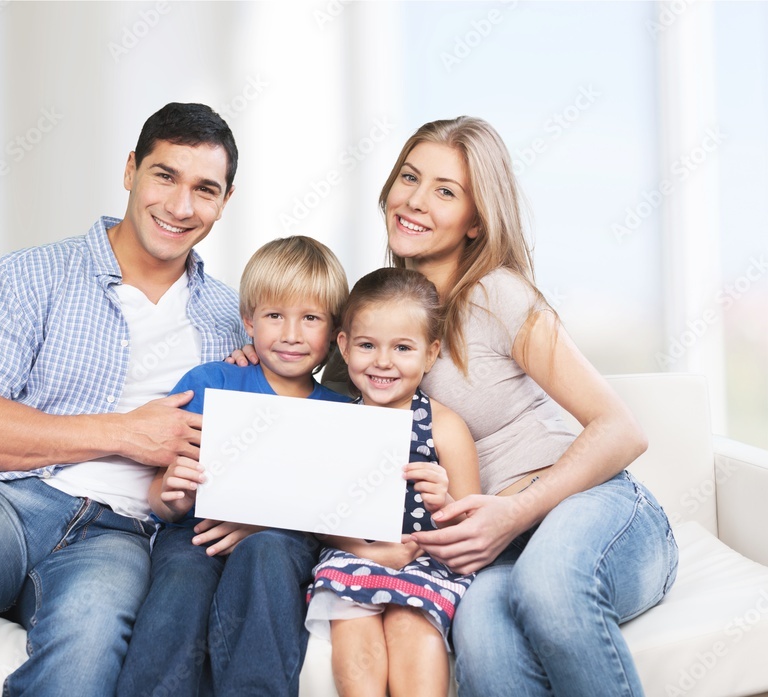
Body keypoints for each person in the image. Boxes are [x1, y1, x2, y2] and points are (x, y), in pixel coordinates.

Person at [0, 102, 249, 697]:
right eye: (164, 176)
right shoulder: (30, 275)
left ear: (224, 201)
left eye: (205, 189)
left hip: (119, 535)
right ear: (130, 171)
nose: (180, 206)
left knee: (85, 656)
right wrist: (125, 433)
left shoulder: (237, 319)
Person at [375, 116, 679, 696]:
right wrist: (251, 356)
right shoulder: (379, 319)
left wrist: (514, 513)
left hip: (597, 510)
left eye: (446, 191)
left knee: (548, 586)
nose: (415, 201)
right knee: (483, 642)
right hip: (499, 552)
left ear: (476, 221)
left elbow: (622, 428)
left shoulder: (495, 293)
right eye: (409, 177)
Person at [116, 235, 350, 697]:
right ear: (249, 321)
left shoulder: (340, 411)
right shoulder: (210, 382)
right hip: (196, 533)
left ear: (335, 334)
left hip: (283, 539)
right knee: (182, 579)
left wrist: (265, 520)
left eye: (310, 318)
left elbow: (335, 511)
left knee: (266, 554)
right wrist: (171, 495)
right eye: (274, 316)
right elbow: (161, 496)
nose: (290, 334)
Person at [305, 267, 480, 697]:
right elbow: (316, 518)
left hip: (429, 562)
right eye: (367, 345)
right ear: (343, 347)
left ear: (430, 352)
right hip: (353, 556)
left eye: (403, 347)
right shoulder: (337, 423)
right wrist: (371, 550)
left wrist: (445, 503)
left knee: (412, 627)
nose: (383, 362)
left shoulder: (445, 427)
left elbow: (475, 525)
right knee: (355, 634)